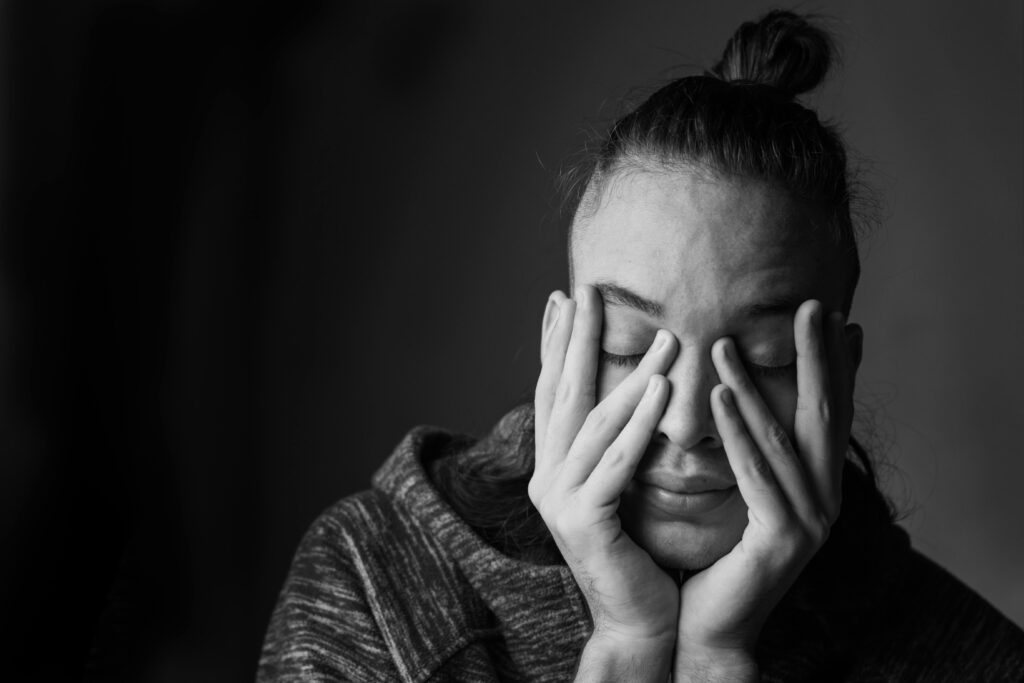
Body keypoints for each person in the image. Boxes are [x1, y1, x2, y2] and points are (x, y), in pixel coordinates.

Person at [257, 10, 1024, 682]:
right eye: (631, 349)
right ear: (559, 347)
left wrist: (718, 658)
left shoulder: (972, 662)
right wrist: (627, 643)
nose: (686, 423)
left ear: (839, 377)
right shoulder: (373, 593)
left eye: (761, 359)